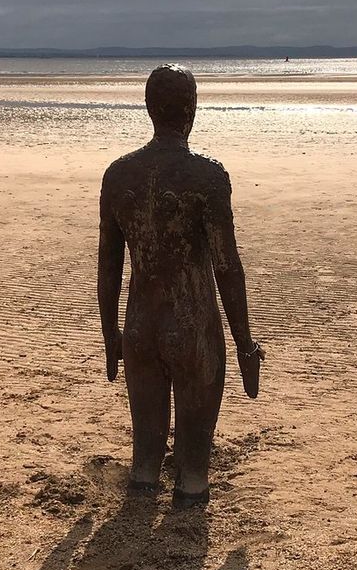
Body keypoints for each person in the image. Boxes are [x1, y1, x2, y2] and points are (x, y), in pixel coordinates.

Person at [98, 64, 264, 507]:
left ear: (150, 110)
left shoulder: (119, 175)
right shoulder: (207, 178)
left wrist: (110, 333)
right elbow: (228, 267)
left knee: (145, 456)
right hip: (193, 327)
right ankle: (188, 501)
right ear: (191, 111)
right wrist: (246, 346)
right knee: (193, 465)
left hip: (140, 325)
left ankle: (142, 494)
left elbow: (109, 263)